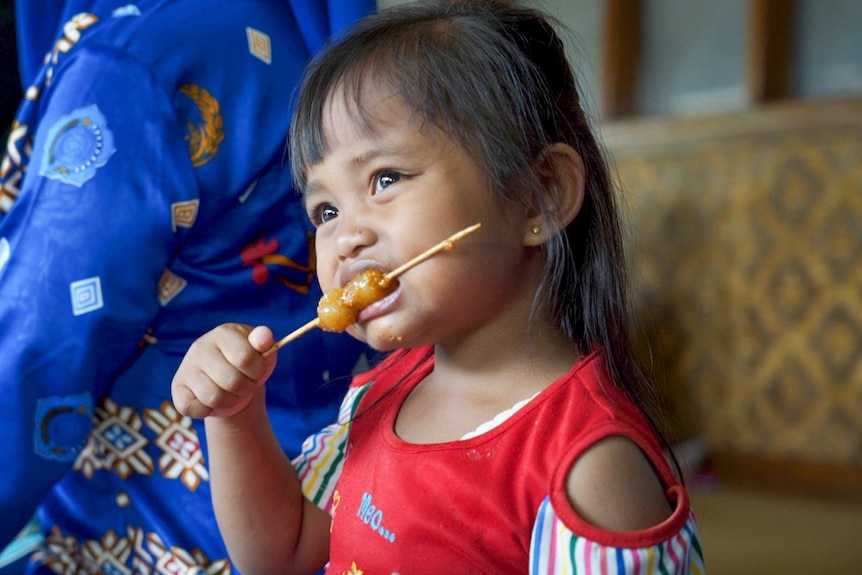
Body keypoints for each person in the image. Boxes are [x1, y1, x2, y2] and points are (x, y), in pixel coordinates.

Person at [171, 1, 707, 573]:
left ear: (538, 195)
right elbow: (284, 555)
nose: (345, 237)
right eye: (324, 210)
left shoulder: (589, 467)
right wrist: (234, 416)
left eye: (384, 178)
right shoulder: (379, 395)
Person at [0, 0, 375, 572]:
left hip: (161, 537)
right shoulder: (318, 36)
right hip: (345, 502)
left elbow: (36, 352)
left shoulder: (133, 64)